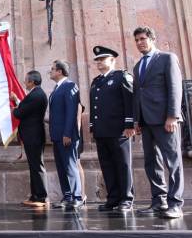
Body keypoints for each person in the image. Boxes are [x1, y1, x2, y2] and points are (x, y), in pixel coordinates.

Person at [132, 26, 184, 219]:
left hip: (165, 120)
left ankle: (175, 204)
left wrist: (172, 116)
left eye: (143, 39)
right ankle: (159, 201)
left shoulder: (167, 58)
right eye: (136, 40)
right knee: (151, 162)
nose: (139, 43)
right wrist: (137, 120)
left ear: (152, 39)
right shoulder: (138, 66)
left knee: (173, 161)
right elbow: (138, 94)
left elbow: (175, 88)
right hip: (146, 121)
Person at [89, 46, 135, 212]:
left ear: (113, 60)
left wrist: (130, 125)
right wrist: (93, 127)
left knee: (123, 164)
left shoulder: (121, 77)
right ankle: (113, 198)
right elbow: (94, 106)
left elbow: (129, 101)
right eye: (97, 60)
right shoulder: (96, 81)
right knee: (107, 165)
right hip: (102, 131)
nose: (99, 62)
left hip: (119, 131)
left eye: (103, 59)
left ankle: (127, 199)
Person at [10, 70, 49, 208]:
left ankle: (42, 197)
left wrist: (14, 109)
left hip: (34, 136)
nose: (24, 82)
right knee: (33, 166)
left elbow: (20, 113)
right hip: (32, 135)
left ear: (32, 81)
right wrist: (17, 101)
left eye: (26, 80)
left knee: (37, 166)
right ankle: (35, 196)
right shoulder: (35, 94)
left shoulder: (36, 95)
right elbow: (27, 107)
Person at [48, 60, 83, 210]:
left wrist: (67, 133)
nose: (50, 71)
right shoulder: (56, 89)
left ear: (60, 71)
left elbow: (71, 112)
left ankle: (77, 197)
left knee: (70, 166)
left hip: (66, 135)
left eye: (52, 69)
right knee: (61, 167)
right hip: (56, 135)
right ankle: (67, 196)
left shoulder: (70, 86)